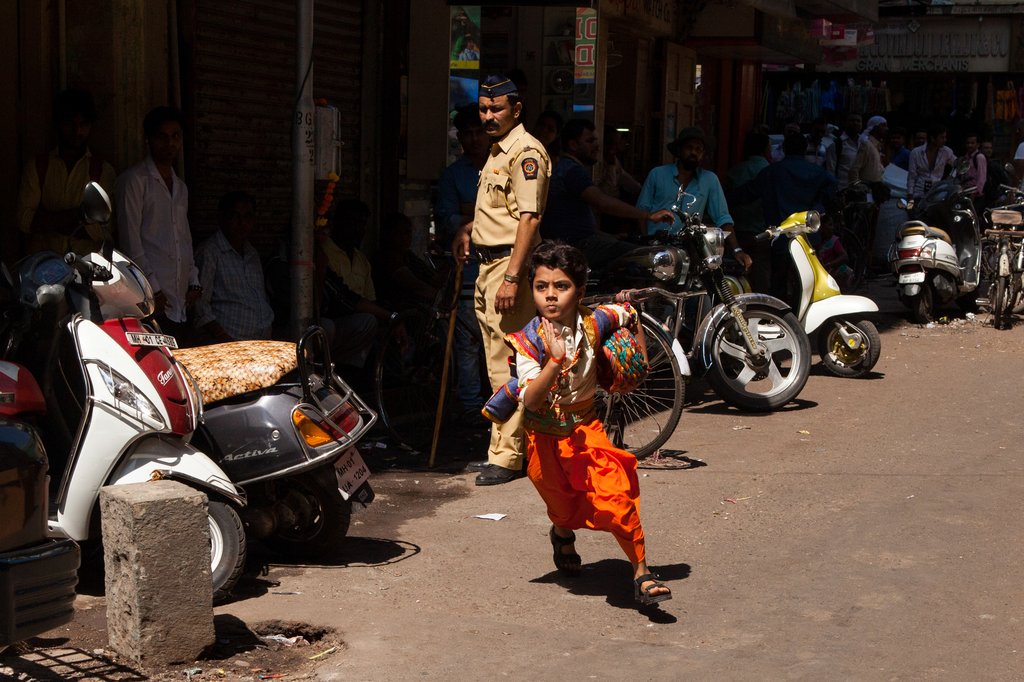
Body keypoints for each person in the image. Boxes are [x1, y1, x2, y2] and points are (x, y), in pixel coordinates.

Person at [482, 241, 672, 606]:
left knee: (618, 497)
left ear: (580, 291)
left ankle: (642, 574)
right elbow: (533, 399)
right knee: (563, 504)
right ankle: (562, 533)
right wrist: (553, 361)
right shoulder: (528, 341)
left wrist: (635, 365)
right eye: (541, 287)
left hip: (588, 430)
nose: (550, 296)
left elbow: (628, 314)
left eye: (561, 287)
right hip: (545, 438)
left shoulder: (596, 320)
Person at [451, 74, 551, 486]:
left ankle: (508, 457)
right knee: (495, 360)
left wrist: (512, 277)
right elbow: (504, 209)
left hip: (508, 268)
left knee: (510, 363)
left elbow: (529, 218)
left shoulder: (525, 152)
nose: (489, 116)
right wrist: (469, 230)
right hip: (486, 266)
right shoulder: (496, 152)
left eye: (497, 109)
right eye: (484, 109)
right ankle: (504, 447)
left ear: (516, 110)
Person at [540, 118, 672, 269]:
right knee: (649, 257)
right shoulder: (572, 170)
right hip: (575, 246)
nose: (597, 146)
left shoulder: (566, 167)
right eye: (590, 141)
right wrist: (649, 215)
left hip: (576, 242)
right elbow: (602, 203)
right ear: (573, 145)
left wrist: (607, 236)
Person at [116, 106, 199, 341]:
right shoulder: (134, 181)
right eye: (162, 137)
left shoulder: (180, 188)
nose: (170, 143)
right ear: (149, 140)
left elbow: (183, 238)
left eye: (175, 137)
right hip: (151, 298)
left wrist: (194, 281)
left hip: (180, 300)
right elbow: (130, 243)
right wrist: (152, 288)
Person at [731, 132, 837, 299]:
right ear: (804, 150)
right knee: (807, 281)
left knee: (778, 283)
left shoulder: (772, 171)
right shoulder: (817, 173)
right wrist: (819, 209)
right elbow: (832, 192)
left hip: (779, 237)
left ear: (785, 149)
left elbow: (746, 193)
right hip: (808, 237)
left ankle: (779, 318)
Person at [17, 89, 116, 257]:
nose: (77, 131)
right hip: (43, 269)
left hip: (87, 269)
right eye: (70, 124)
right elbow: (24, 221)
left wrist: (48, 219)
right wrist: (80, 216)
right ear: (58, 124)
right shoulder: (38, 166)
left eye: (83, 124)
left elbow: (102, 231)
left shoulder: (102, 170)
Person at [636, 126, 752, 270]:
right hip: (656, 248)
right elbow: (642, 211)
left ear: (703, 154)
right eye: (689, 147)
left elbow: (723, 218)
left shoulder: (710, 180)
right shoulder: (657, 174)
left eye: (698, 149)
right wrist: (645, 243)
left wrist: (737, 250)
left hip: (690, 251)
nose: (693, 152)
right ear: (679, 150)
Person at [437, 104, 489, 419]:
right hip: (467, 267)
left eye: (477, 132)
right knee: (468, 342)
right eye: (465, 133)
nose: (472, 139)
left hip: (501, 266)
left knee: (501, 343)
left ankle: (500, 405)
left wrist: (473, 213)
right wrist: (472, 215)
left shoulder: (500, 167)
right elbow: (447, 219)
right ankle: (471, 406)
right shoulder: (453, 175)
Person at [193, 191, 275, 344]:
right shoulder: (210, 252)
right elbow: (200, 306)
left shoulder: (252, 253)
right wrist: (224, 338)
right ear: (222, 218)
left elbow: (259, 297)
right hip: (230, 343)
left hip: (260, 343)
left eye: (247, 217)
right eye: (235, 216)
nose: (242, 223)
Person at [725, 131, 772, 293]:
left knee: (737, 272)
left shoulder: (736, 170)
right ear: (765, 149)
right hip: (762, 230)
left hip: (737, 229)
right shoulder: (769, 170)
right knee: (760, 274)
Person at [373, 211, 440, 308]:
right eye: (398, 233)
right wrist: (438, 297)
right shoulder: (386, 258)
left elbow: (434, 278)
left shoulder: (408, 256)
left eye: (408, 232)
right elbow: (414, 285)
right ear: (388, 234)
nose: (405, 238)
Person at [907, 124, 956, 201]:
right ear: (933, 138)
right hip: (918, 193)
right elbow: (911, 176)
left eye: (945, 137)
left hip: (937, 193)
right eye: (942, 137)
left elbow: (959, 165)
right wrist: (910, 199)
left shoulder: (946, 152)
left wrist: (951, 177)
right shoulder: (915, 153)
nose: (945, 140)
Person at [848, 115, 889, 198]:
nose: (887, 129)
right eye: (883, 125)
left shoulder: (876, 147)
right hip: (865, 194)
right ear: (875, 128)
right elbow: (854, 170)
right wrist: (858, 188)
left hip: (875, 193)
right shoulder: (866, 145)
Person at [834, 112, 863, 190]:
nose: (855, 123)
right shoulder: (837, 144)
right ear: (845, 123)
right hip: (843, 189)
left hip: (863, 190)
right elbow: (831, 170)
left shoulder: (865, 143)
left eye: (858, 121)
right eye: (852, 120)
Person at [956, 132, 987, 202]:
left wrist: (975, 193)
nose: (970, 145)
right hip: (965, 192)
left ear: (978, 145)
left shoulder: (979, 157)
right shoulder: (965, 158)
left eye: (972, 143)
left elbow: (982, 178)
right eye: (968, 143)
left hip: (976, 195)